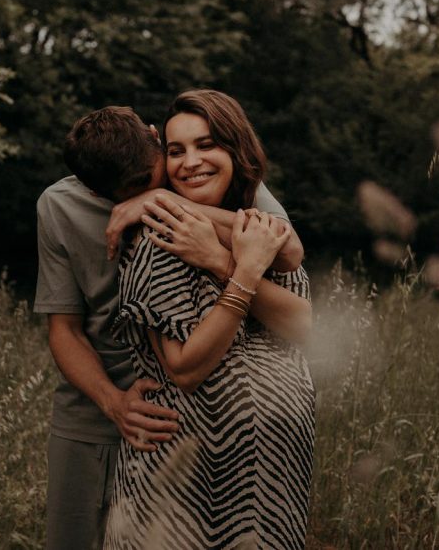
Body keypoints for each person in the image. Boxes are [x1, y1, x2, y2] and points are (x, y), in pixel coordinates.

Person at [35, 105, 303, 550]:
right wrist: (114, 403)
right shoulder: (58, 206)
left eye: (148, 178)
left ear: (156, 138)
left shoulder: (207, 176)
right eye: (125, 193)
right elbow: (64, 327)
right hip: (95, 414)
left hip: (199, 415)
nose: (146, 192)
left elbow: (287, 249)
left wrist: (164, 200)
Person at [105, 90, 315, 550]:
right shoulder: (159, 240)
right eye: (176, 151)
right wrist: (239, 269)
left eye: (207, 145)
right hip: (183, 494)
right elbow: (185, 368)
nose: (190, 161)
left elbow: (302, 327)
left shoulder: (261, 227)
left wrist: (221, 262)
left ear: (236, 150)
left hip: (272, 493)